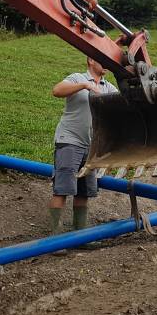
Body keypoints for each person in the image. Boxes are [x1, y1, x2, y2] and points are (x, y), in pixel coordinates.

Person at [48, 57, 118, 233]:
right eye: (103, 60)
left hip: (91, 146)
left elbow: (122, 104)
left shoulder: (108, 87)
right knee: (62, 189)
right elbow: (56, 90)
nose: (107, 64)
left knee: (83, 192)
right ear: (91, 60)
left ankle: (79, 235)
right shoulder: (77, 78)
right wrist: (85, 86)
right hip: (69, 141)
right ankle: (54, 238)